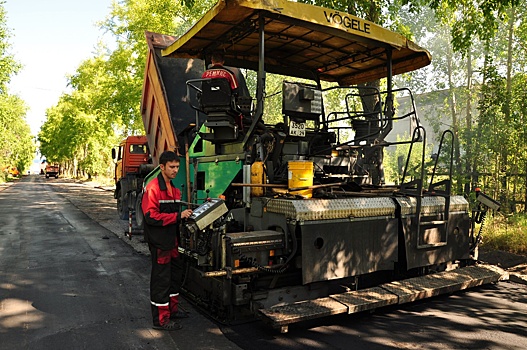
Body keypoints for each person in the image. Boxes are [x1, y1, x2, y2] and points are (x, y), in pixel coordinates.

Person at [141, 151, 193, 331]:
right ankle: (161, 320)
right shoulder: (153, 188)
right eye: (172, 167)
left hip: (172, 241)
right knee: (161, 279)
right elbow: (151, 217)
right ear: (161, 167)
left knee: (174, 276)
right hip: (159, 242)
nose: (175, 170)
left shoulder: (175, 189)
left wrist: (184, 216)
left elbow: (174, 215)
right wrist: (177, 216)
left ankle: (173, 310)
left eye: (177, 167)